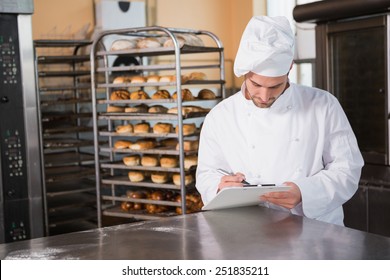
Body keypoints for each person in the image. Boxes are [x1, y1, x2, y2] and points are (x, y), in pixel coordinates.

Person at [195, 16, 364, 226]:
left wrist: (304, 192)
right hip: (248, 229)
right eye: (256, 84)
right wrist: (219, 186)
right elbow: (207, 173)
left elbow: (347, 169)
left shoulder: (323, 105)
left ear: (290, 67)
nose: (265, 96)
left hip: (314, 229)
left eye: (275, 86)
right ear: (245, 72)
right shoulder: (220, 115)